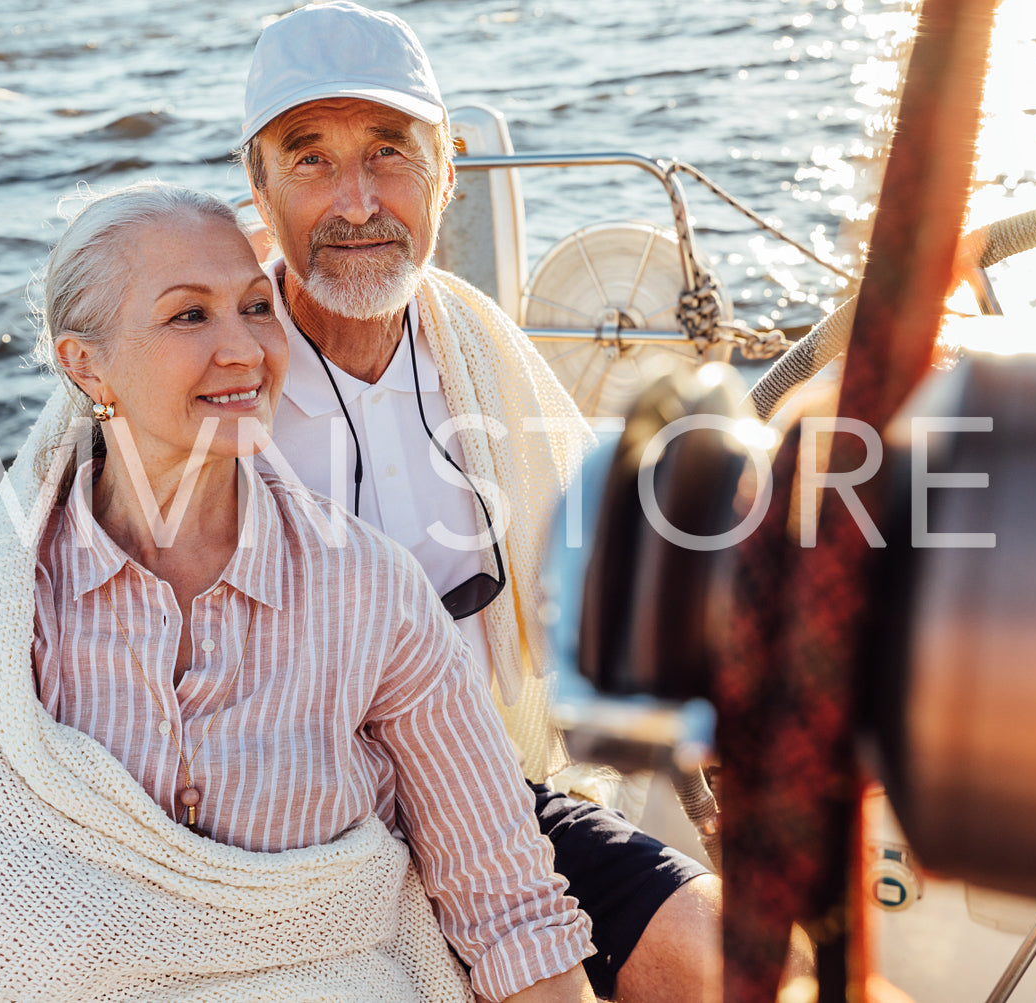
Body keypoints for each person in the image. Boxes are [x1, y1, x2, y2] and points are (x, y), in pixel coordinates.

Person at [0, 181, 599, 1002]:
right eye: (189, 315)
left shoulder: (370, 589)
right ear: (83, 364)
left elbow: (504, 897)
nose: (244, 350)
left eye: (256, 307)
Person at [236, 4, 729, 999]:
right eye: (310, 160)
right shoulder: (206, 368)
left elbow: (594, 562)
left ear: (447, 172)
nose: (358, 202)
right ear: (256, 188)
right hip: (292, 848)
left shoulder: (473, 344)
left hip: (493, 802)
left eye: (389, 153)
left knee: (731, 954)